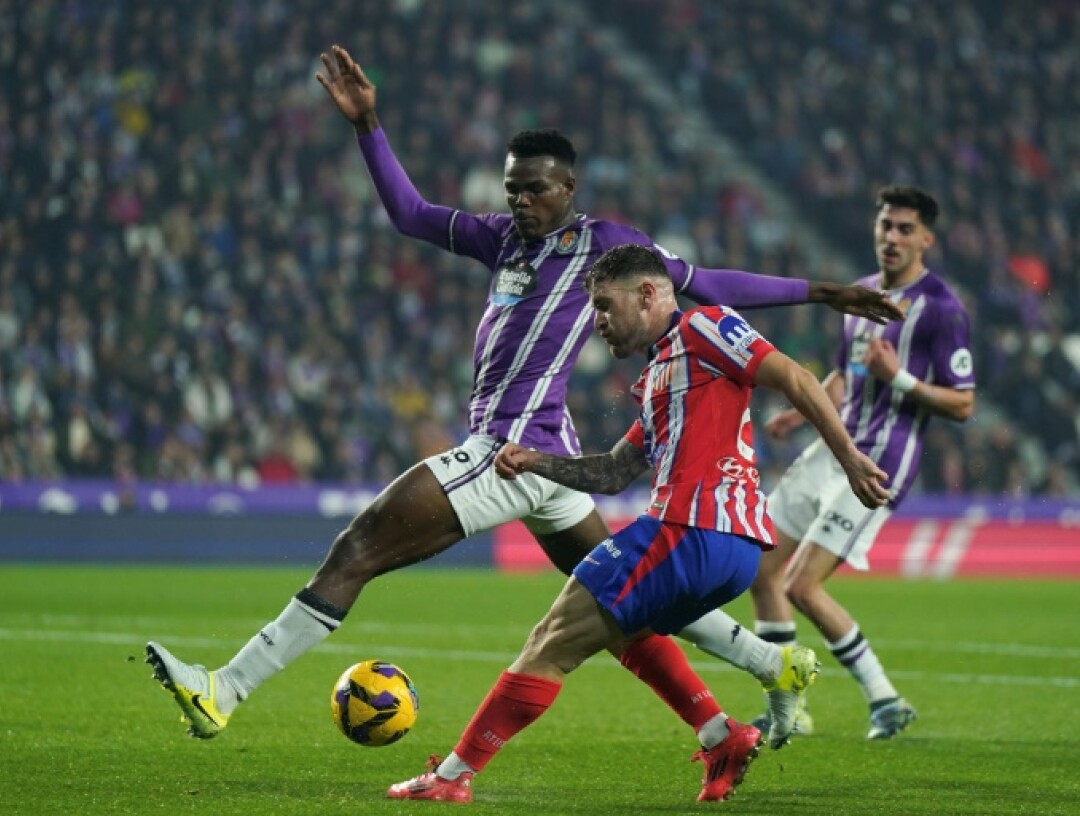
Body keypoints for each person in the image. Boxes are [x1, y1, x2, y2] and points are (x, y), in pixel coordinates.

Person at [143, 44, 901, 747]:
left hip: (507, 448)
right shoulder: (499, 239)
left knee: (357, 548)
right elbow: (409, 214)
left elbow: (707, 283)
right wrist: (369, 126)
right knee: (619, 595)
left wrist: (821, 292)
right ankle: (749, 691)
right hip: (551, 455)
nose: (521, 202)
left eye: (535, 190)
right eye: (511, 189)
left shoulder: (603, 242)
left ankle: (225, 690)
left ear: (568, 189)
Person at [386, 244, 889, 804]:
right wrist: (537, 461)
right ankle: (722, 736)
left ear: (648, 295)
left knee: (552, 640)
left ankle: (453, 776)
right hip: (731, 551)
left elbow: (795, 376)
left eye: (604, 306)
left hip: (689, 531)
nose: (597, 322)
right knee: (626, 633)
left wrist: (848, 457)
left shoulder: (706, 326)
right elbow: (613, 473)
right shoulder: (656, 378)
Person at [739, 185, 975, 740]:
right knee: (761, 568)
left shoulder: (942, 309)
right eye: (885, 225)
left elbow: (964, 402)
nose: (891, 237)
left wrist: (903, 379)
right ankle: (788, 707)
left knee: (801, 584)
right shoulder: (861, 296)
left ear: (926, 239)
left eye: (904, 229)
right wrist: (802, 412)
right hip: (833, 448)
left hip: (881, 462)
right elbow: (847, 376)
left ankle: (884, 698)